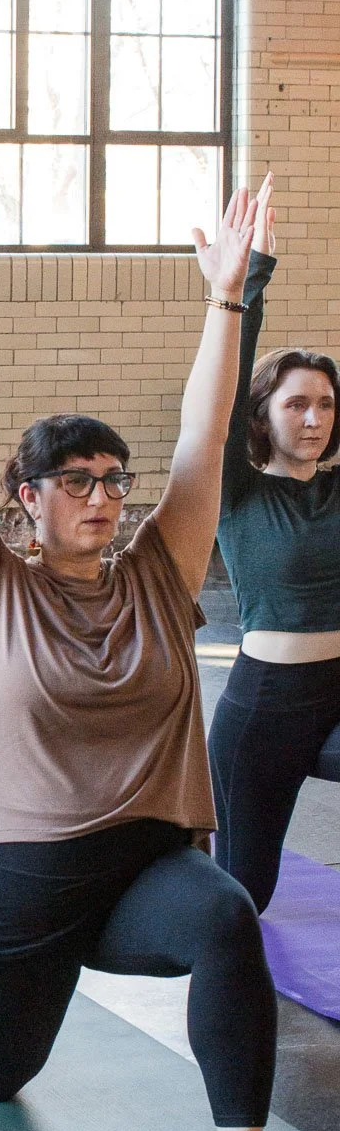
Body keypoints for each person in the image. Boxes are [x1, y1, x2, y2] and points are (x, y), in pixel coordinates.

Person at [0, 178, 309, 1131]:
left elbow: (203, 437)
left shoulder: (156, 574)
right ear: (28, 500)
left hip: (138, 868)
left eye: (113, 478)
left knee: (227, 916)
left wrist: (228, 299)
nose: (104, 494)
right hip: (5, 888)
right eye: (76, 479)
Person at [209, 174, 340, 911]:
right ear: (265, 413)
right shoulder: (239, 492)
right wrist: (246, 282)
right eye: (297, 403)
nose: (315, 417)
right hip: (266, 708)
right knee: (243, 894)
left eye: (326, 403)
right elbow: (221, 394)